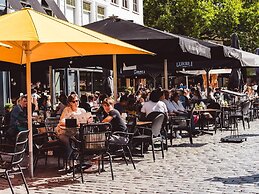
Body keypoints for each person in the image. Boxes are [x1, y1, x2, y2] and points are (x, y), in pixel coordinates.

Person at [55, 94, 92, 166]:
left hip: (76, 132)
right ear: (70, 103)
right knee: (68, 143)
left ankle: (76, 161)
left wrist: (89, 120)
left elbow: (87, 121)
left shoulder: (82, 110)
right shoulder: (67, 110)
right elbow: (61, 122)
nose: (76, 103)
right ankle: (68, 162)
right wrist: (74, 122)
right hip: (64, 132)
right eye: (74, 101)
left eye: (77, 101)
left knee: (80, 139)